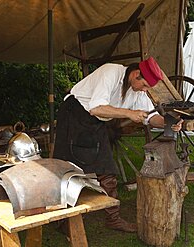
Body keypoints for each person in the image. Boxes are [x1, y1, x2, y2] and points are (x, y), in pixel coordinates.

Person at [53, 57, 183, 233]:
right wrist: (129, 113)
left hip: (95, 122)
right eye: (144, 85)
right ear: (136, 74)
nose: (144, 90)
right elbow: (96, 108)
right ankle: (63, 220)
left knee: (107, 168)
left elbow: (150, 118)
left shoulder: (138, 91)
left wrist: (168, 122)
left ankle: (112, 219)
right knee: (67, 168)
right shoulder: (111, 72)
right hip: (74, 115)